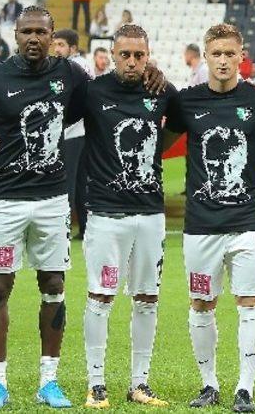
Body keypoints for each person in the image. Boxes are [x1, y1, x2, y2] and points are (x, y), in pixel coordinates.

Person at [0, 7, 92, 409]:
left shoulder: (71, 75)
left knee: (54, 286)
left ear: (51, 35)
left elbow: (105, 100)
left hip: (52, 201)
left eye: (40, 32)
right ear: (15, 34)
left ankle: (49, 381)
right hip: (4, 202)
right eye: (26, 31)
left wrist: (151, 74)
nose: (33, 38)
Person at [161, 24, 255, 412]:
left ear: (241, 56)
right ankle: (209, 384)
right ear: (206, 57)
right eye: (217, 54)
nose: (224, 61)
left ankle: (245, 387)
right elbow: (156, 143)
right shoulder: (186, 101)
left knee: (251, 302)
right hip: (200, 226)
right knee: (201, 303)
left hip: (247, 223)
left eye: (231, 54)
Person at [77, 25, 176, 407]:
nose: (132, 62)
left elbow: (179, 129)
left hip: (150, 215)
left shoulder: (163, 92)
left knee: (147, 298)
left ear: (148, 56)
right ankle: (96, 383)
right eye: (125, 55)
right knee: (100, 296)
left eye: (139, 55)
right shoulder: (92, 92)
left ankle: (140, 383)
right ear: (113, 55)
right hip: (105, 215)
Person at [51, 29, 94, 241]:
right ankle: (85, 228)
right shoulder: (83, 65)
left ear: (73, 48)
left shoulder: (72, 67)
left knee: (66, 181)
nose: (56, 49)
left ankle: (62, 229)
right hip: (85, 132)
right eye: (55, 44)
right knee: (81, 183)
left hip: (72, 132)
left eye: (61, 45)